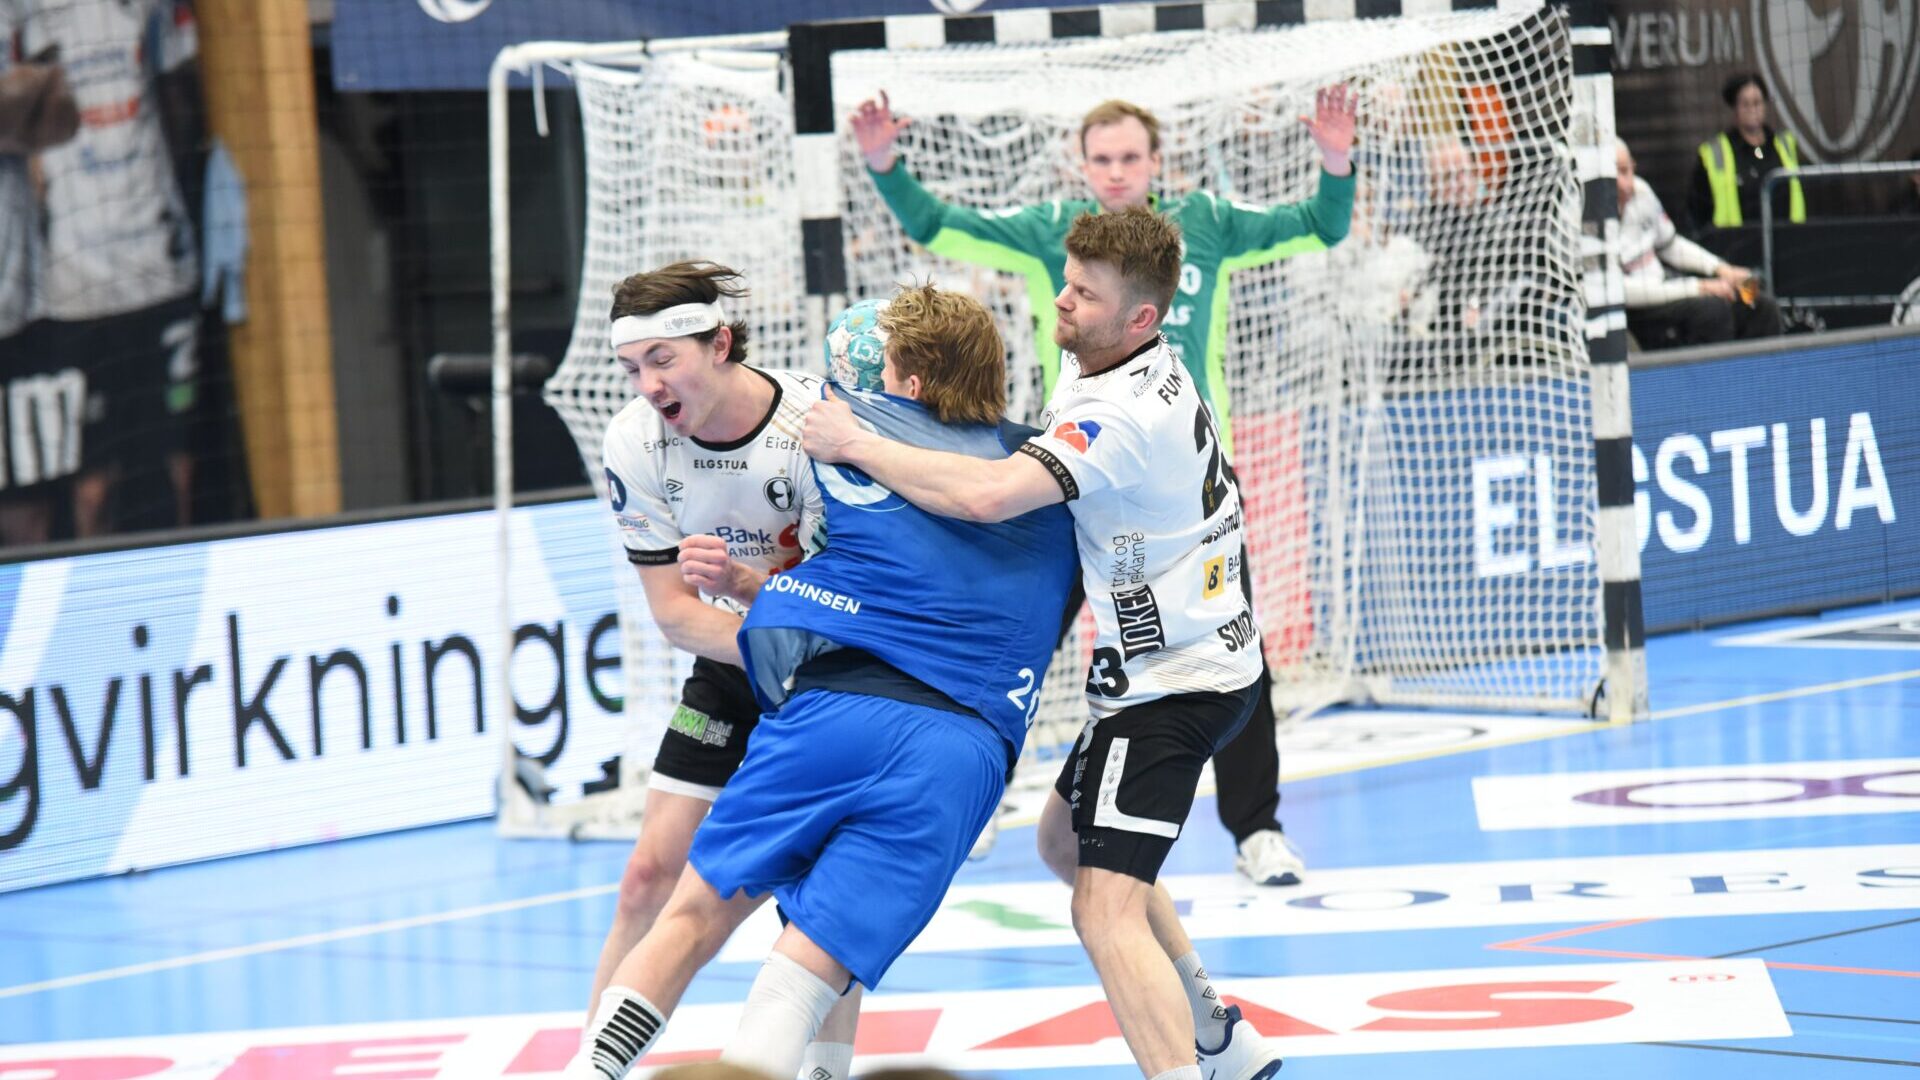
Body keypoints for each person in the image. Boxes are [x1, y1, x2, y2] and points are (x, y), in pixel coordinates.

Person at [805, 209, 1285, 1080]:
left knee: (1103, 912)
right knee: (1065, 843)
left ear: (1141, 317)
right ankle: (1220, 1033)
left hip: (1173, 688)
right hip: (1193, 662)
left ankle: (1191, 1065)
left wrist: (859, 444)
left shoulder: (1121, 414)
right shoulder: (1115, 358)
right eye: (1066, 281)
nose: (1061, 301)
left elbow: (990, 498)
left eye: (1084, 294)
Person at [566, 285, 1080, 1079]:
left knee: (692, 917)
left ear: (906, 385)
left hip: (831, 704)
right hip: (960, 747)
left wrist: (757, 593)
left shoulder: (835, 430)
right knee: (808, 964)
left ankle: (591, 1069)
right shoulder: (1063, 472)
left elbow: (839, 581)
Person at [851, 86, 1360, 885]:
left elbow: (1321, 226)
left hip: (1184, 500)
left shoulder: (1204, 226)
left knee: (1231, 649)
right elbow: (939, 225)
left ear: (1157, 162)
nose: (1116, 172)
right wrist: (885, 161)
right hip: (1074, 478)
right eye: (1102, 159)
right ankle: (978, 795)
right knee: (1018, 634)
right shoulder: (1057, 236)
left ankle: (1257, 829)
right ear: (1080, 166)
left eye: (1130, 157)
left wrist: (1335, 160)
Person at [589, 260, 861, 1080]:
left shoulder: (816, 423)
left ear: (720, 344)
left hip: (831, 669)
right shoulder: (633, 441)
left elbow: (853, 592)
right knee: (648, 873)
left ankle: (824, 1071)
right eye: (632, 367)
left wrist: (765, 605)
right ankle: (593, 1068)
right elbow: (675, 614)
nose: (648, 385)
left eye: (662, 359)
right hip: (730, 654)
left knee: (816, 895)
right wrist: (760, 633)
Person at [19, 0, 207, 537]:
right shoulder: (19, 14)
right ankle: (91, 584)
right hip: (75, 288)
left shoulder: (150, 9)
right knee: (91, 486)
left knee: (177, 464)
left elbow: (181, 93)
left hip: (159, 267)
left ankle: (184, 573)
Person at [0, 18, 79, 545]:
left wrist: (27, 97)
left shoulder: (14, 12)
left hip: (20, 316)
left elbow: (61, 118)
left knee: (29, 515)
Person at [1618, 140, 1781, 349]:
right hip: (1641, 308)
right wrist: (1699, 287)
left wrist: (1722, 269)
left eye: (1630, 169)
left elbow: (1670, 245)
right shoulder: (1590, 219)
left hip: (1671, 285)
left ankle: (1765, 369)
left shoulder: (1641, 192)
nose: (1629, 183)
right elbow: (1622, 291)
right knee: (1713, 310)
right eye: (1621, 172)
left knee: (1755, 298)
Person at [1688, 72, 1805, 233]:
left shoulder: (1785, 145)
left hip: (1787, 239)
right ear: (1735, 109)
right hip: (1736, 243)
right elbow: (1698, 211)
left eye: (1757, 102)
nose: (1753, 109)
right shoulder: (1714, 153)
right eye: (1745, 104)